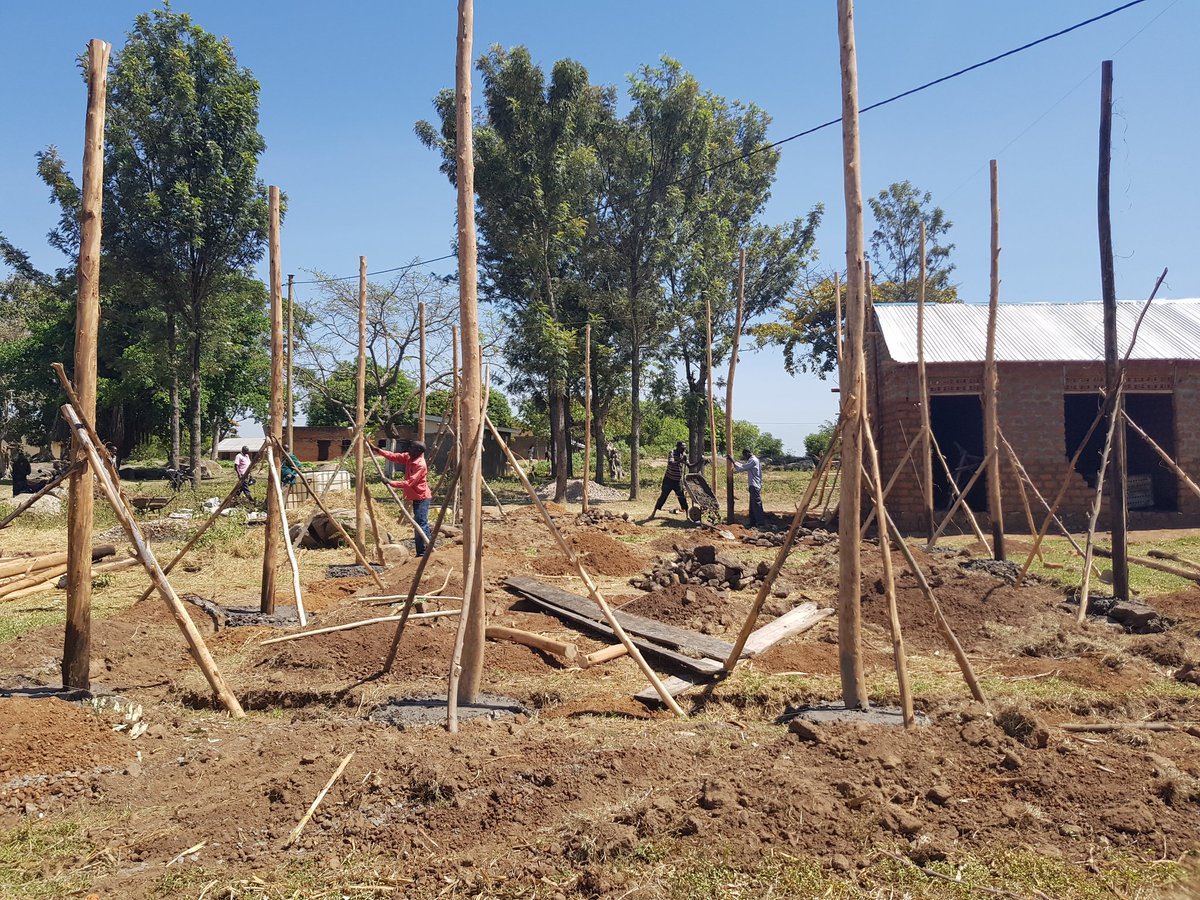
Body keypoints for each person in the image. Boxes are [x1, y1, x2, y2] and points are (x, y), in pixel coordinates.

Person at [372, 439, 433, 556]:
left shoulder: (420, 465)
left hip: (422, 497)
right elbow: (394, 456)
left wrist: (391, 482)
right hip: (416, 496)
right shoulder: (409, 457)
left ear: (418, 451)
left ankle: (424, 551)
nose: (409, 449)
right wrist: (378, 450)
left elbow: (410, 482)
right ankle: (424, 550)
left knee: (421, 524)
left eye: (412, 447)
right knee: (419, 523)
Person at [650, 440, 694, 520]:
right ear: (677, 447)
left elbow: (690, 466)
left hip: (677, 481)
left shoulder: (683, 455)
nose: (684, 449)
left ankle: (687, 516)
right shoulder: (672, 452)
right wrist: (681, 460)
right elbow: (671, 463)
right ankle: (653, 513)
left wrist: (701, 461)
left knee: (682, 498)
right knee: (663, 497)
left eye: (684, 447)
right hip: (668, 480)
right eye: (682, 447)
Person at [728, 447, 766, 527]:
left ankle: (760, 523)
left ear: (748, 453)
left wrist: (732, 460)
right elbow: (743, 466)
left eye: (745, 455)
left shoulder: (753, 460)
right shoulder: (753, 460)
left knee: (756, 504)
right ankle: (753, 523)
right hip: (754, 485)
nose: (745, 457)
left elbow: (742, 468)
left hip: (754, 485)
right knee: (752, 505)